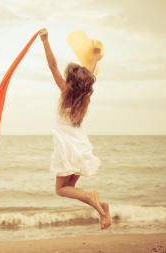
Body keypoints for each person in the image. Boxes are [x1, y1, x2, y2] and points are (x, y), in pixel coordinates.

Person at [39, 28, 111, 229]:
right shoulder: (85, 97)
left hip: (66, 145)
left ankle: (91, 196)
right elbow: (88, 71)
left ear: (70, 82)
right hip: (79, 144)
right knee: (69, 187)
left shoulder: (65, 93)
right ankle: (103, 211)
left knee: (61, 190)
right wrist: (95, 55)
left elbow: (52, 65)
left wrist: (45, 41)